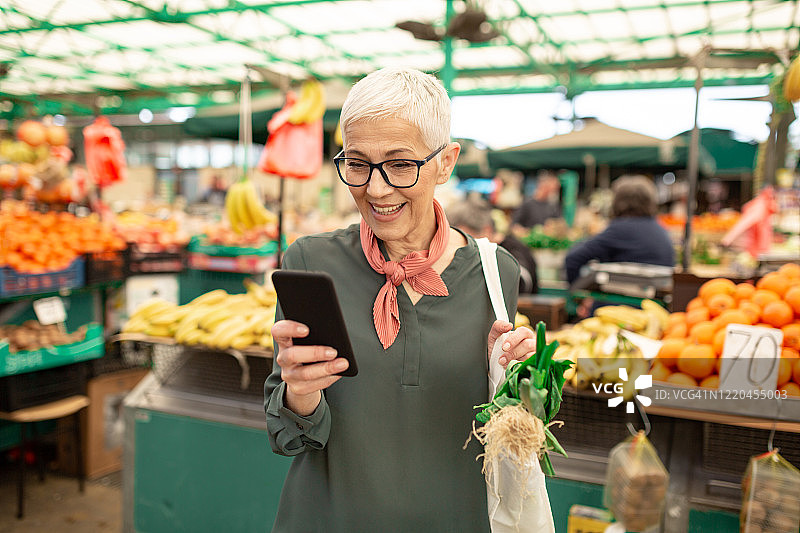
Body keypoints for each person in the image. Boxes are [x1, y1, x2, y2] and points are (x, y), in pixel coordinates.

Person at [264, 67, 540, 532]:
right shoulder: (309, 260)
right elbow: (288, 437)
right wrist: (299, 395)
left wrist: (522, 382)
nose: (375, 188)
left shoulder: (496, 274)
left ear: (445, 163)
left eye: (399, 164)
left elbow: (509, 428)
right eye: (357, 163)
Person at [564, 174, 675, 285]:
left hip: (625, 298)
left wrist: (578, 293)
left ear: (617, 201)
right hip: (653, 299)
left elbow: (573, 258)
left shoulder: (622, 229)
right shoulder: (660, 228)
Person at [447, 195, 539, 294]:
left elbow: (521, 283)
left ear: (487, 231)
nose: (457, 243)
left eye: (463, 237)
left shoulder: (513, 250)